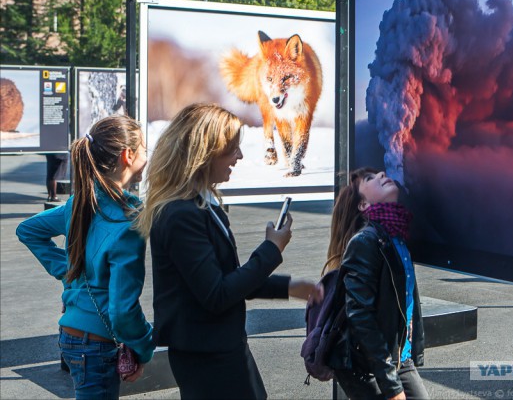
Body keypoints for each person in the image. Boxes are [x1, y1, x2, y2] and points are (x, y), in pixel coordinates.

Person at [134, 103, 323, 400]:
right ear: (204, 153)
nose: (240, 156)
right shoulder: (181, 213)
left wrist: (288, 286)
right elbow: (217, 294)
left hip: (219, 348)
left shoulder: (201, 204)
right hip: (206, 355)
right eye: (232, 149)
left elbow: (229, 281)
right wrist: (271, 249)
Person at [16, 116, 154, 399]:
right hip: (98, 344)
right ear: (128, 156)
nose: (146, 156)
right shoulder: (128, 221)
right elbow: (123, 311)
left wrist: (69, 270)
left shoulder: (78, 202)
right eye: (144, 149)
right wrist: (144, 346)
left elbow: (28, 230)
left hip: (71, 333)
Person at [325, 168, 429, 400]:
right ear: (362, 205)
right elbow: (361, 316)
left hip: (398, 357)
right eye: (370, 179)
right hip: (366, 366)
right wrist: (392, 387)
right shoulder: (366, 241)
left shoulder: (395, 236)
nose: (382, 173)